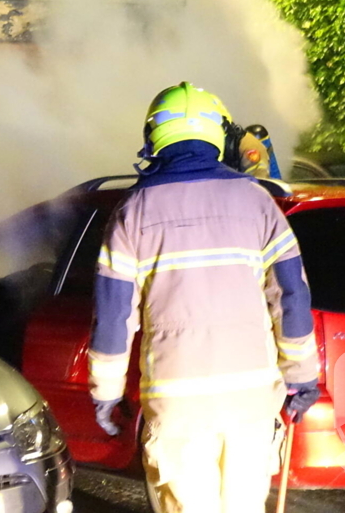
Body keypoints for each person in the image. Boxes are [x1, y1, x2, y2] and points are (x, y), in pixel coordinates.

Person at [88, 82, 319, 512]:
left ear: (153, 137)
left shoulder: (133, 211)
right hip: (251, 406)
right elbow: (290, 297)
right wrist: (302, 376)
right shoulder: (258, 202)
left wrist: (106, 392)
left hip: (178, 409)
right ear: (217, 135)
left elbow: (114, 317)